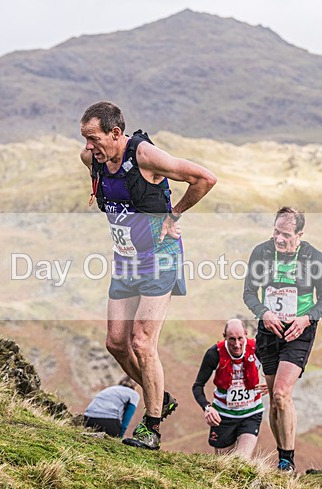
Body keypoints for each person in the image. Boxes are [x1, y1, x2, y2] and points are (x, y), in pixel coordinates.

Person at [79, 101, 218, 450]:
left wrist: (174, 214)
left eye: (93, 138)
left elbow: (205, 178)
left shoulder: (145, 156)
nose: (88, 147)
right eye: (84, 139)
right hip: (126, 261)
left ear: (116, 133)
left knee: (142, 342)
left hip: (160, 258)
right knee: (115, 343)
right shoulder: (92, 161)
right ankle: (161, 396)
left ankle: (152, 428)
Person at [243, 207, 322, 473]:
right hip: (269, 330)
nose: (278, 239)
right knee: (274, 398)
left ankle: (287, 461)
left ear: (299, 235)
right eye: (275, 232)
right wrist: (264, 312)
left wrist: (306, 320)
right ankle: (283, 456)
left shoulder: (313, 258)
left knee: (282, 393)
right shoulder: (261, 253)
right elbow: (249, 293)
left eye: (285, 235)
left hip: (299, 331)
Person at [192, 319, 267, 459]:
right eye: (232, 339)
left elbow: (276, 371)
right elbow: (197, 386)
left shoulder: (257, 349)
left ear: (246, 334)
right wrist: (207, 408)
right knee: (223, 464)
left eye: (240, 338)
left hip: (251, 413)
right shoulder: (214, 354)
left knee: (241, 461)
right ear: (224, 336)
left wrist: (271, 384)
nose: (237, 344)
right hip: (223, 416)